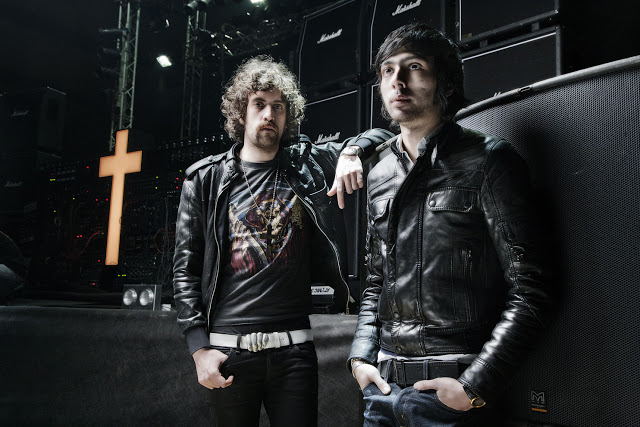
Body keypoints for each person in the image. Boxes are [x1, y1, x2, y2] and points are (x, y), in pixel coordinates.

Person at [348, 23, 550, 426]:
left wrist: (474, 386)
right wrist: (360, 358)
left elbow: (532, 288)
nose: (398, 81)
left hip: (451, 393)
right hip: (382, 392)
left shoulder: (489, 160)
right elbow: (375, 283)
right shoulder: (379, 174)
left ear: (447, 81)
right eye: (387, 70)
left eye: (414, 67)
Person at [172, 55, 391, 426]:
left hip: (294, 353)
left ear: (288, 116)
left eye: (278, 107)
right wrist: (198, 349)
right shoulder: (206, 180)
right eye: (259, 104)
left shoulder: (308, 167)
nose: (268, 114)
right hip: (228, 352)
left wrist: (352, 151)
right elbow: (184, 271)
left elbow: (387, 136)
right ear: (240, 112)